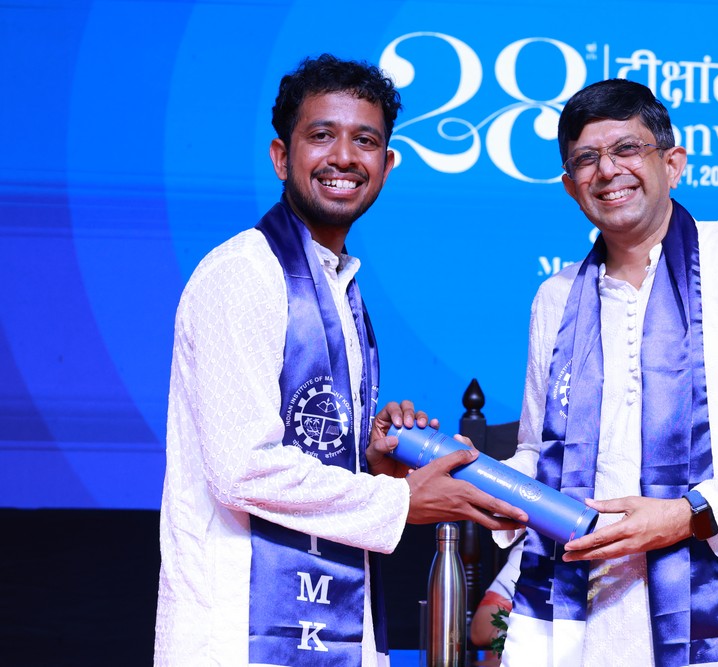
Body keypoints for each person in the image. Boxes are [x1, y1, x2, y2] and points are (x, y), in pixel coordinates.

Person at [154, 54, 525, 667]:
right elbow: (242, 469)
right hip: (236, 632)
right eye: (322, 135)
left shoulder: (338, 284)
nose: (345, 157)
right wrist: (401, 504)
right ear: (282, 156)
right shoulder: (244, 274)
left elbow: (307, 450)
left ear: (387, 165)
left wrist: (374, 464)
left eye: (366, 141)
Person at [495, 78, 718, 667]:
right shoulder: (555, 299)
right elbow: (541, 456)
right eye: (586, 159)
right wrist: (463, 471)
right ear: (569, 185)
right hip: (598, 618)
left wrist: (690, 515)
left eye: (627, 149)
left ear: (673, 163)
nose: (607, 170)